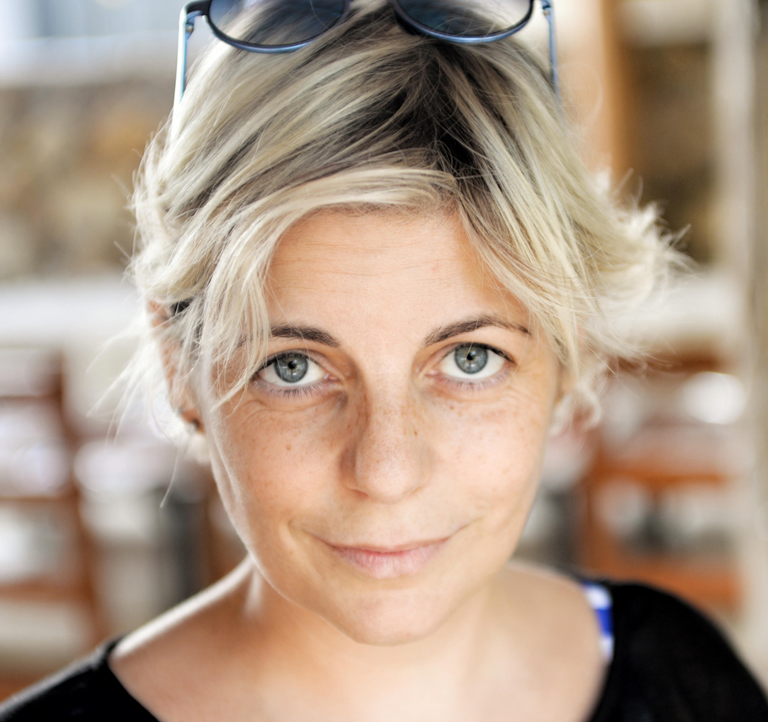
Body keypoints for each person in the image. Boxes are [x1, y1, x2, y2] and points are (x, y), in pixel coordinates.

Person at [2, 1, 767, 720]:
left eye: (471, 358)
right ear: (179, 365)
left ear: (568, 356)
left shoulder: (686, 680)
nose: (388, 471)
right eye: (293, 368)